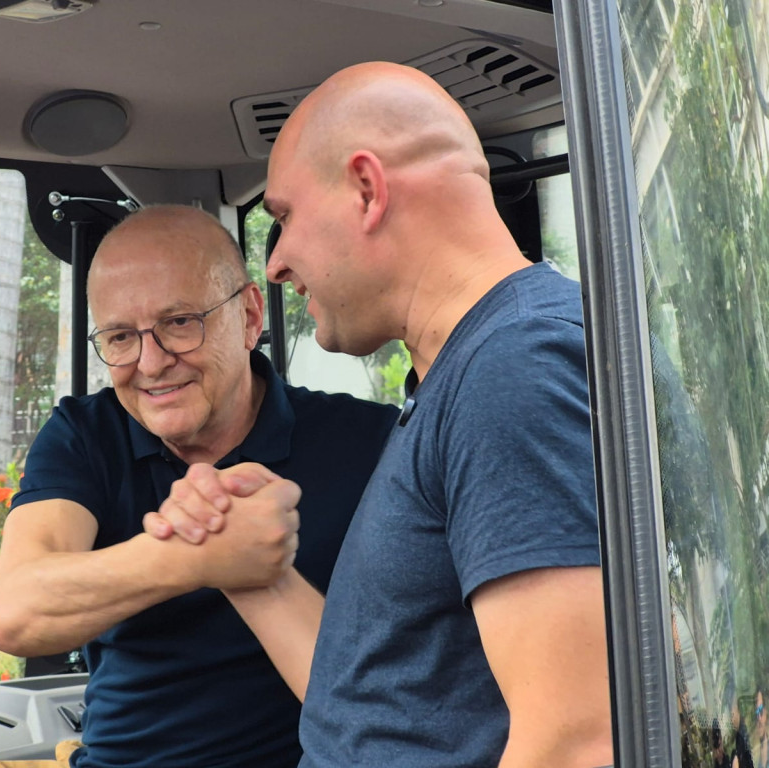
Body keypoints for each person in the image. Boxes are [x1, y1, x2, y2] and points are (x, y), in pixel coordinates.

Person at [146, 62, 614, 767]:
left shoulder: (514, 369)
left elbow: (578, 743)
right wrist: (246, 562)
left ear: (367, 190)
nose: (274, 264)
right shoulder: (475, 368)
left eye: (284, 218)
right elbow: (392, 705)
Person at [0, 204, 398, 768]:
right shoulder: (87, 433)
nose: (151, 363)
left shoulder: (369, 443)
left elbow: (405, 689)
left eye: (179, 323)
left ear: (249, 316)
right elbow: (15, 614)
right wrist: (198, 557)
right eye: (121, 337)